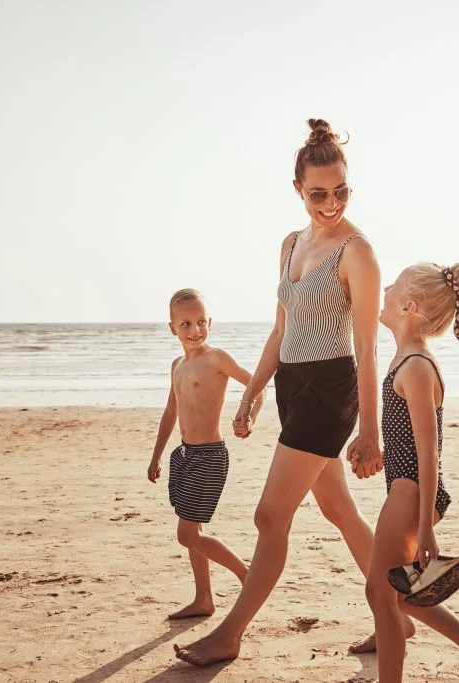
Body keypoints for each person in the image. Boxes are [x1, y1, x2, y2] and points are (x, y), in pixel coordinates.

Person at [174, 119, 408, 666]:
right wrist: (252, 391)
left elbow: (370, 347)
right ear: (298, 189)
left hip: (331, 391)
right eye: (318, 193)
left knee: (269, 518)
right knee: (339, 510)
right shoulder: (290, 244)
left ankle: (230, 633)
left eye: (341, 191)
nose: (331, 203)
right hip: (291, 387)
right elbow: (281, 329)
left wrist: (370, 431)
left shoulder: (359, 251)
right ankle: (394, 615)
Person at [366, 262, 459, 682]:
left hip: (412, 493)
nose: (386, 288)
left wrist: (425, 526)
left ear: (409, 306)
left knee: (380, 594)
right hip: (406, 488)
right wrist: (378, 449)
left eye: (393, 286)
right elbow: (407, 439)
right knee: (404, 598)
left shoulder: (416, 366)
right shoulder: (406, 358)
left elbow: (429, 452)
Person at [147, 288, 264, 620]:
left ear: (210, 322)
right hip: (184, 455)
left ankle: (247, 576)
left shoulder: (217, 358)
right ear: (172, 328)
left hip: (211, 456)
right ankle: (203, 599)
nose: (194, 330)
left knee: (186, 533)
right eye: (185, 324)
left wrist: (249, 417)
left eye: (200, 322)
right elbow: (171, 413)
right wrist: (156, 456)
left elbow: (257, 387)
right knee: (192, 534)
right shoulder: (177, 366)